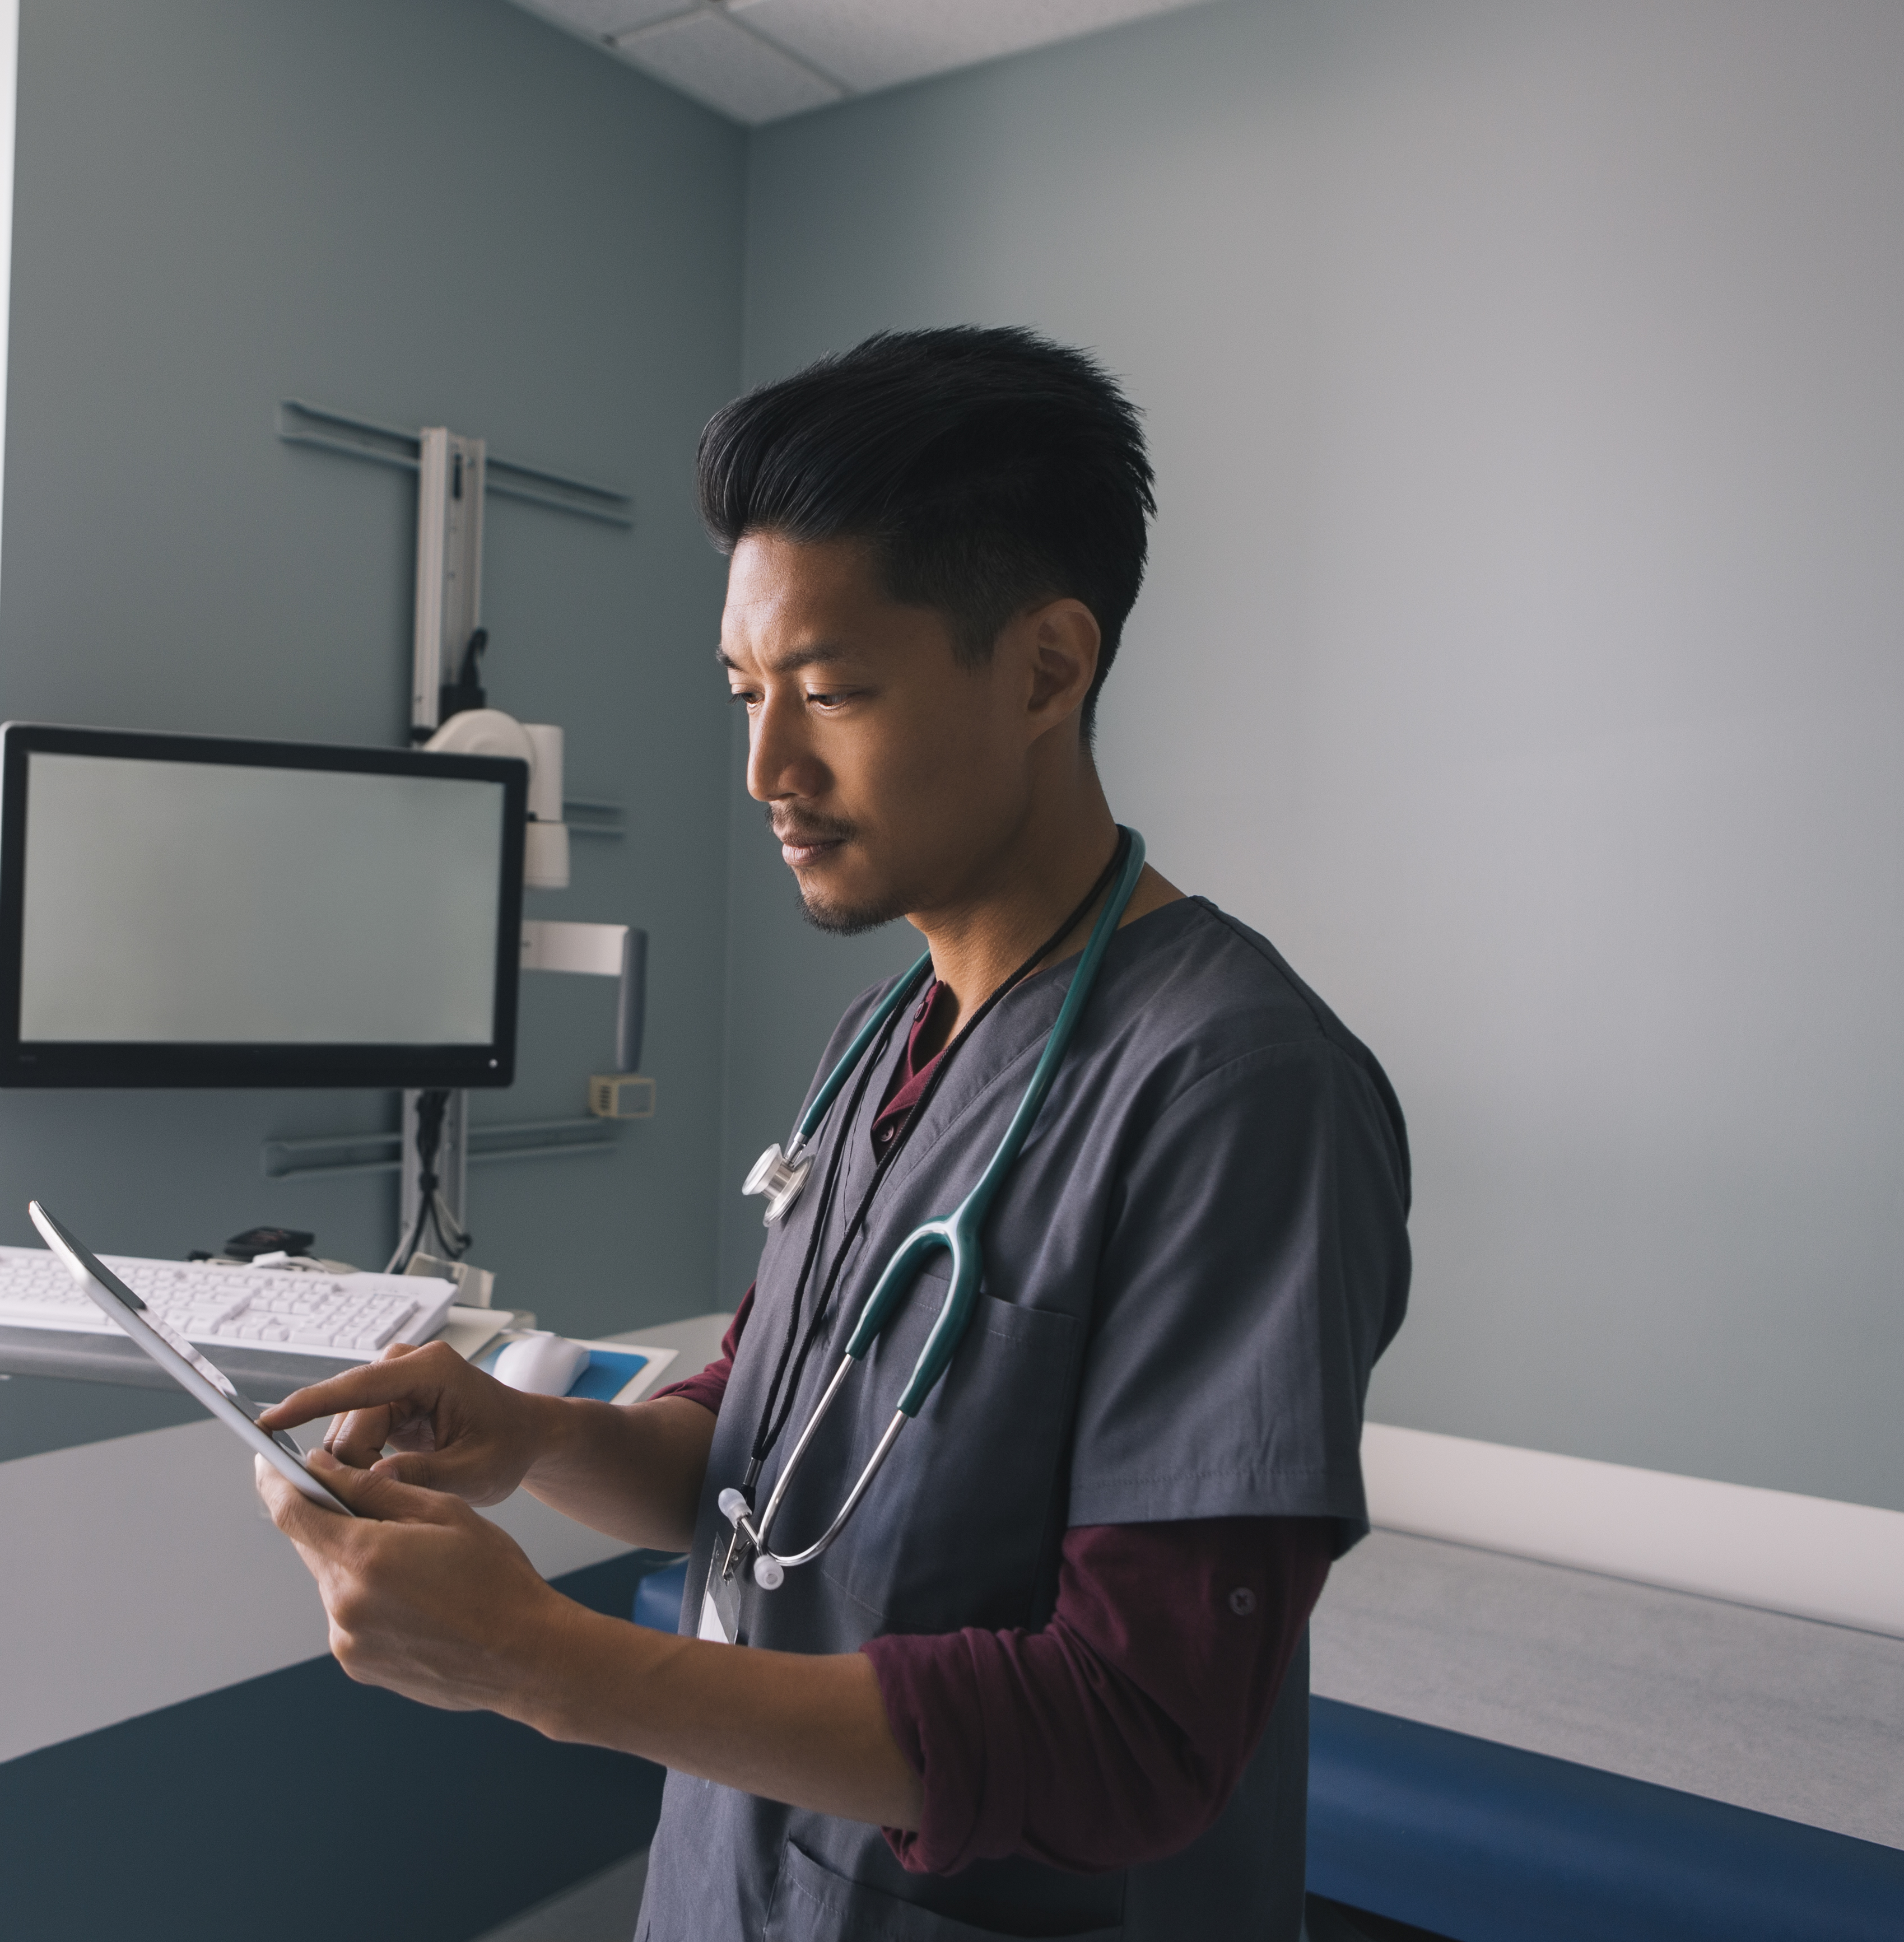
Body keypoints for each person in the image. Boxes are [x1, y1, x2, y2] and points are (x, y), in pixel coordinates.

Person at [253, 326, 1411, 1941]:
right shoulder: (884, 1037)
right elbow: (764, 1458)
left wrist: (538, 1659)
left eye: (832, 691)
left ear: (1047, 668)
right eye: (745, 692)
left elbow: (1140, 1733)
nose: (766, 768)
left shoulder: (1236, 1087)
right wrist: (539, 1440)